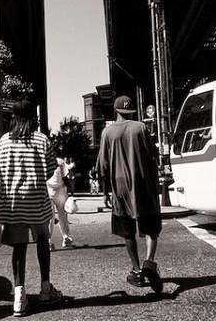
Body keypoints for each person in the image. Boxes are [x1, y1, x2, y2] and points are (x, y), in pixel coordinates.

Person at [0, 100, 62, 317]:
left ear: (13, 117)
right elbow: (51, 171)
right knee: (42, 241)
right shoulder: (42, 140)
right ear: (33, 117)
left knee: (19, 247)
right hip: (37, 201)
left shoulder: (4, 141)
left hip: (13, 202)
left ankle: (19, 298)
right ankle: (46, 289)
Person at [96, 95, 163, 293]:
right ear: (131, 110)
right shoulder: (141, 127)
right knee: (151, 227)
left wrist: (105, 192)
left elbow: (103, 166)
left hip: (120, 187)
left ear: (115, 111)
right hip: (144, 184)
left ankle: (137, 270)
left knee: (127, 230)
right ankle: (149, 262)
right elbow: (153, 154)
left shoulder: (107, 132)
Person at [47, 155, 74, 251]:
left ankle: (48, 242)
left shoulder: (43, 159)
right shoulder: (61, 161)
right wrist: (71, 192)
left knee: (50, 218)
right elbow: (65, 177)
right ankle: (65, 237)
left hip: (49, 189)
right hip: (61, 190)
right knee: (63, 215)